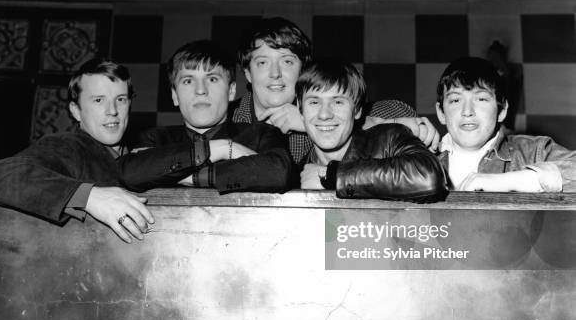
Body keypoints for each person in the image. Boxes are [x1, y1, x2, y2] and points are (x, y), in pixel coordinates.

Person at [0, 59, 155, 243]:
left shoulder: (142, 149)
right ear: (76, 111)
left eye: (121, 99)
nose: (112, 111)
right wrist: (90, 197)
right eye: (99, 100)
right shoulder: (67, 146)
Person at [231, 16, 440, 164]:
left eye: (286, 61)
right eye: (262, 63)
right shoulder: (226, 119)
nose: (275, 73)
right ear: (248, 73)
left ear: (304, 70)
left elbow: (397, 115)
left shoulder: (331, 111)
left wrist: (316, 123)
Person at [118, 40, 292, 193]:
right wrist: (220, 148)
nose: (200, 90)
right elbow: (130, 173)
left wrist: (183, 176)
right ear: (174, 95)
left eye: (212, 79)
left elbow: (278, 174)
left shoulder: (261, 134)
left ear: (231, 91)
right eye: (188, 81)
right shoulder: (155, 138)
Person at [298, 58, 448, 202]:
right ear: (300, 108)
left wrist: (332, 176)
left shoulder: (388, 139)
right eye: (314, 102)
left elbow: (428, 177)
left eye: (338, 102)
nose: (324, 114)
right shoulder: (295, 173)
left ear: (356, 109)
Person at [436, 57, 576, 192]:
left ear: (502, 110)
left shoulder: (533, 152)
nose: (467, 111)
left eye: (481, 99)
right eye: (455, 100)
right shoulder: (421, 157)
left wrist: (509, 181)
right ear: (441, 112)